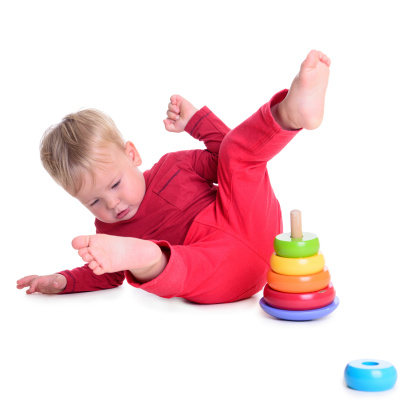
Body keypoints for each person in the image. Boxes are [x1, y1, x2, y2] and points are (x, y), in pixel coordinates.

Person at [16, 50, 331, 304]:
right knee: (176, 265)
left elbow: (226, 155)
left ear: (132, 155)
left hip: (252, 223)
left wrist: (197, 122)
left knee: (236, 155)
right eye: (94, 201)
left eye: (115, 184)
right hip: (214, 269)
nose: (112, 203)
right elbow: (104, 273)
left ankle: (291, 113)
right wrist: (63, 281)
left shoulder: (174, 166)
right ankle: (151, 258)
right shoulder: (108, 231)